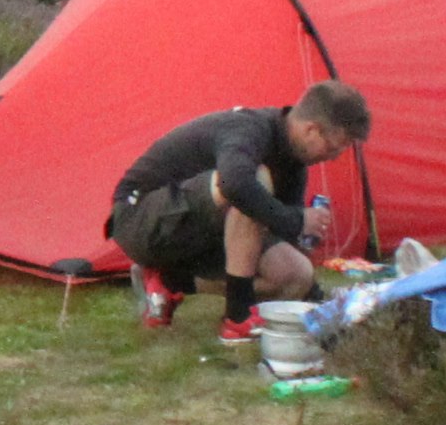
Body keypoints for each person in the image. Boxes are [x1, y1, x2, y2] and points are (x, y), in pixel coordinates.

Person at [110, 80, 371, 327]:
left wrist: (315, 296)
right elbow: (234, 184)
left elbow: (281, 233)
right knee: (254, 181)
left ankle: (171, 282)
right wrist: (297, 219)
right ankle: (238, 317)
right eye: (334, 147)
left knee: (295, 274)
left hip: (199, 232)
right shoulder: (249, 129)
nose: (335, 157)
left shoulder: (294, 163)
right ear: (311, 129)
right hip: (139, 218)